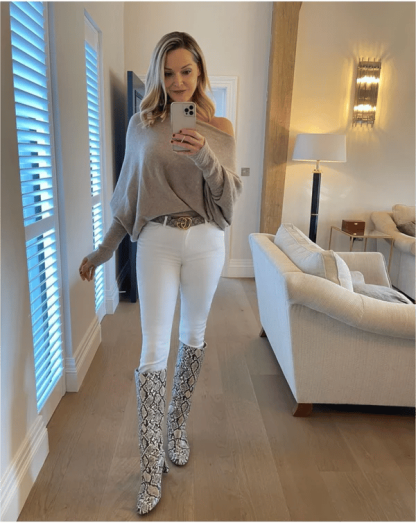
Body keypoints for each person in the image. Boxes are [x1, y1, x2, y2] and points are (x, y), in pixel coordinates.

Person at [79, 31, 242, 515]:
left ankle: (176, 428)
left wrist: (204, 154)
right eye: (168, 73)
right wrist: (102, 253)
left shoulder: (221, 128)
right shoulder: (141, 125)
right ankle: (151, 468)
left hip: (207, 242)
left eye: (186, 71)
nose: (177, 82)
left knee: (193, 336)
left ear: (200, 71)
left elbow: (228, 202)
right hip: (156, 241)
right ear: (157, 75)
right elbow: (128, 199)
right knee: (152, 349)